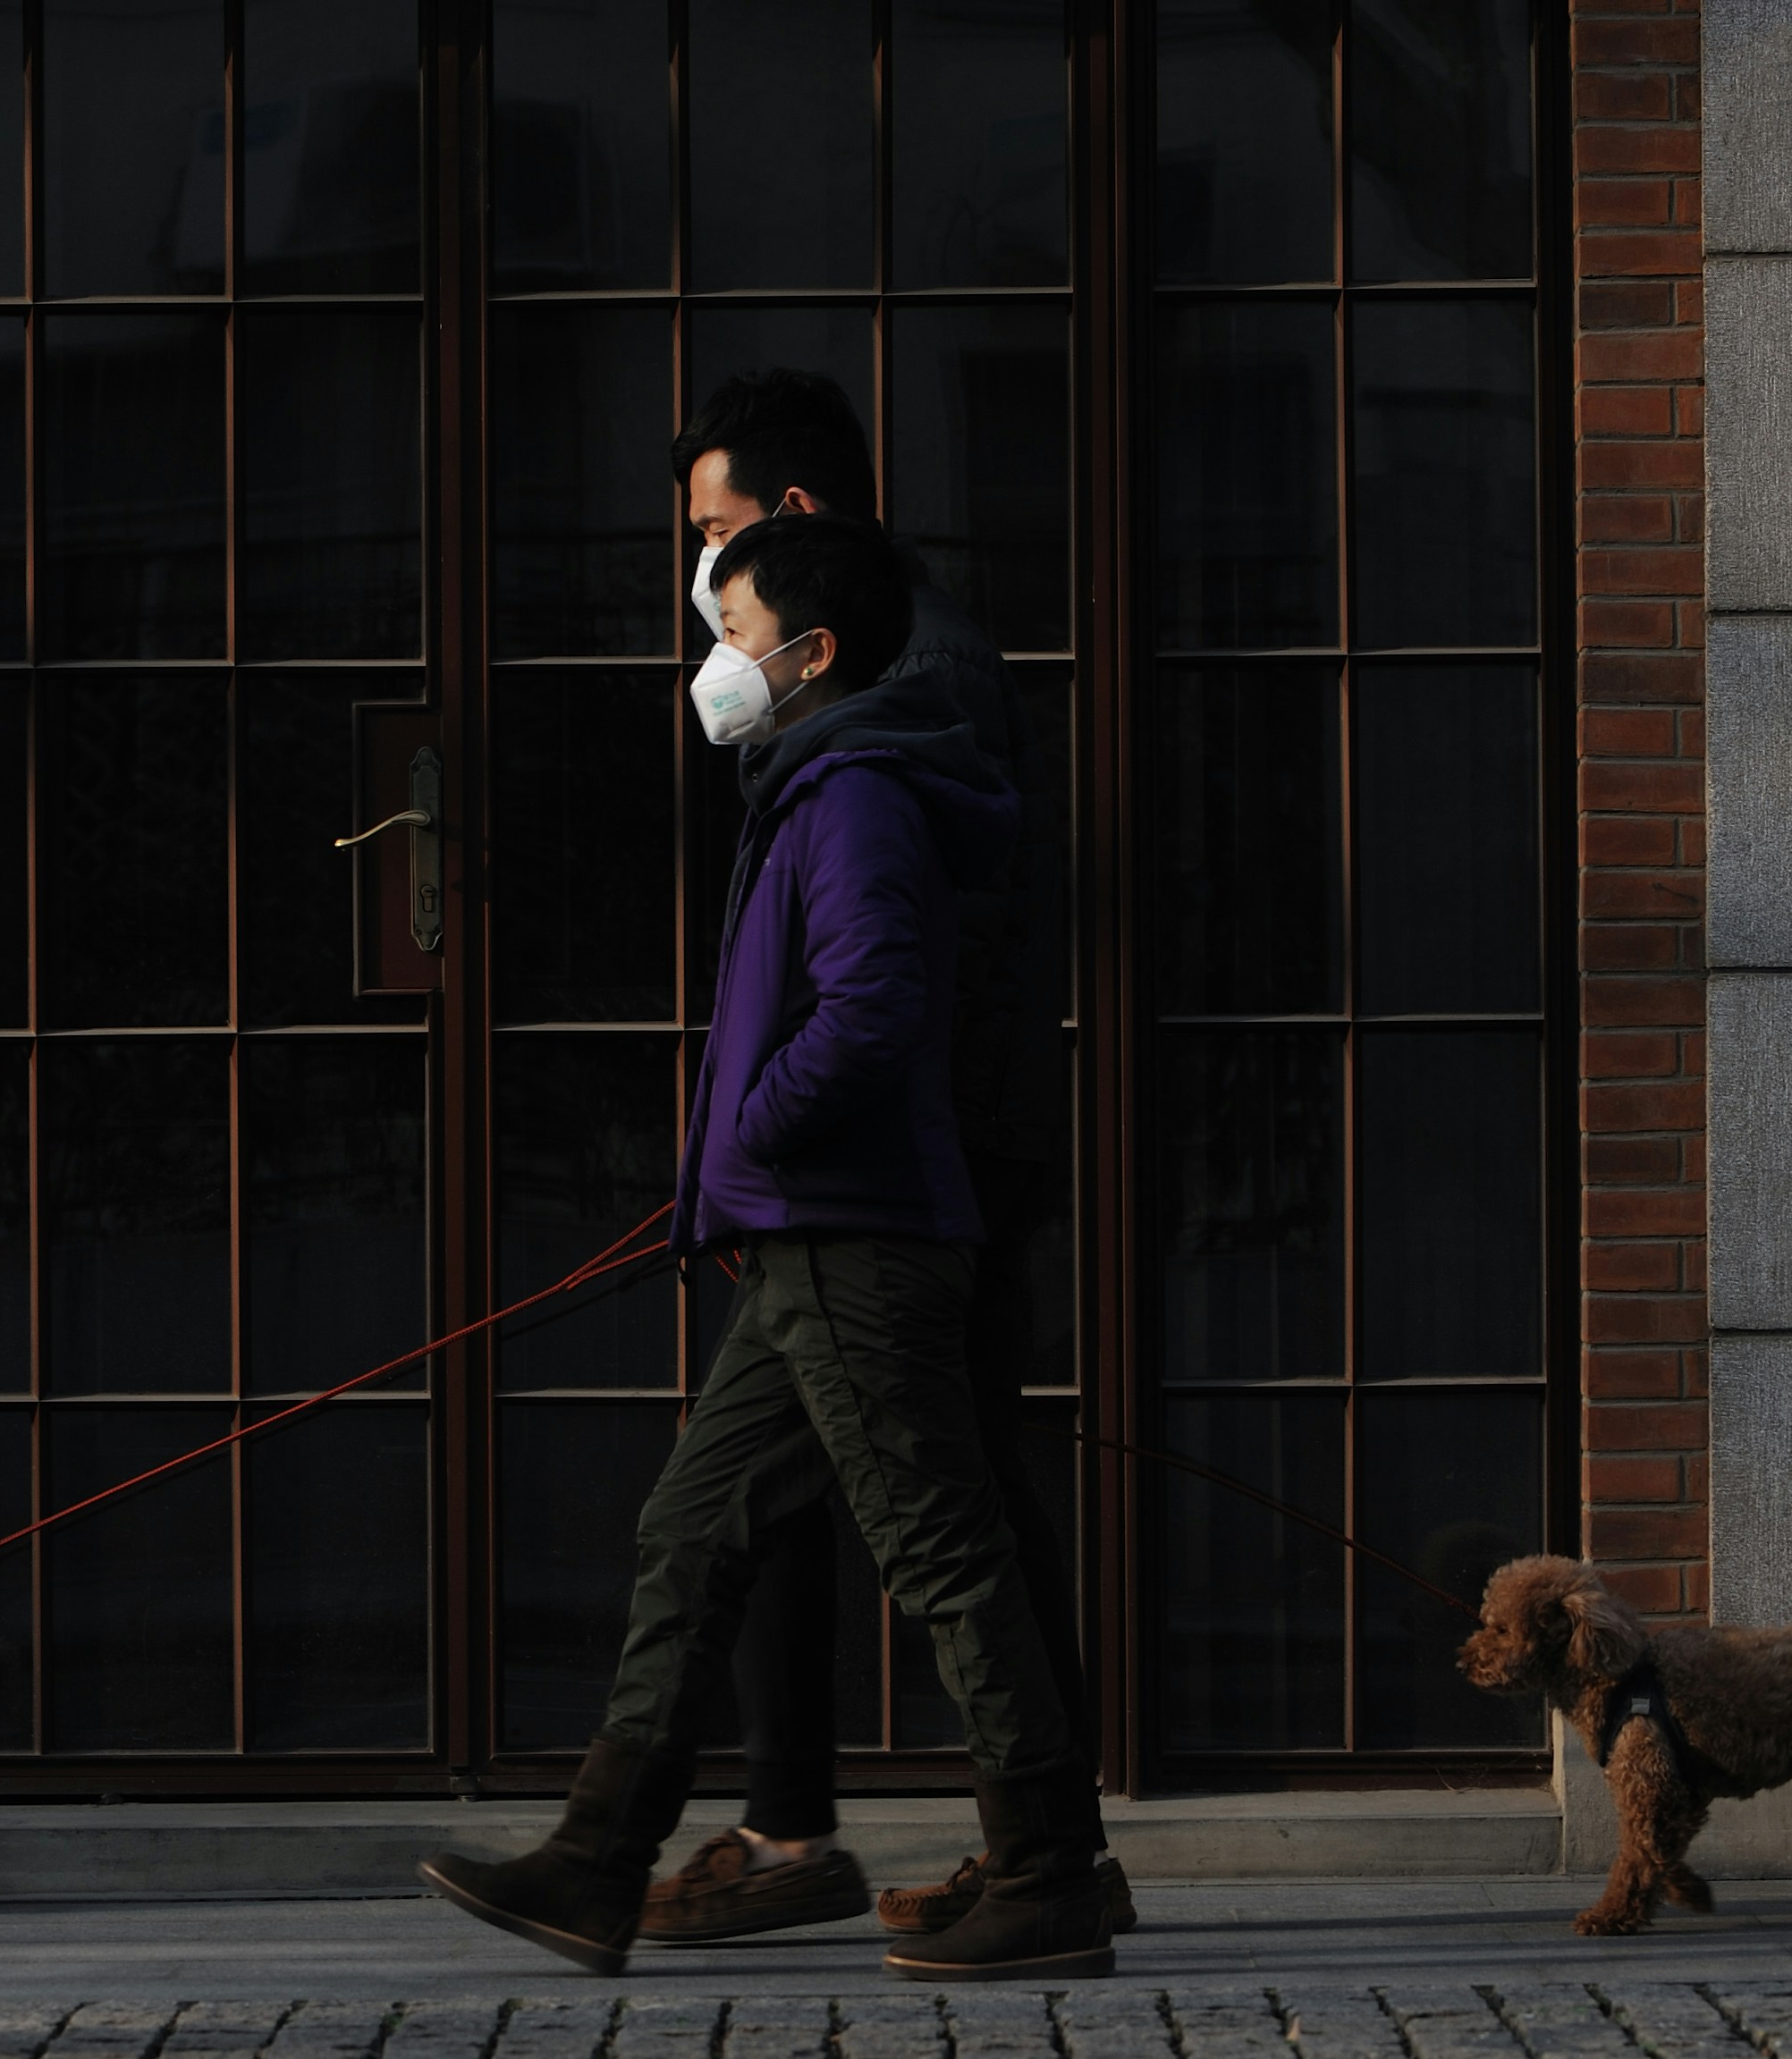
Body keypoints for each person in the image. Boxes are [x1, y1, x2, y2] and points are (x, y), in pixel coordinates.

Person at [419, 515, 1120, 1983]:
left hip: (855, 1236)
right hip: (812, 1230)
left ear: (813, 656)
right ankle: (597, 1862)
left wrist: (751, 1140)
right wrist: (740, 1173)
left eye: (734, 634)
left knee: (940, 1550)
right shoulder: (810, 783)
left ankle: (1051, 1870)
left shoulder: (855, 791)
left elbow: (869, 1011)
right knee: (695, 1529)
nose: (717, 661)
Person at [635, 369, 1118, 1948]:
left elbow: (900, 978)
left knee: (941, 1512)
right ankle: (857, 1831)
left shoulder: (887, 694)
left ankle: (1035, 1848)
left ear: (789, 528)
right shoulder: (874, 683)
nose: (701, 580)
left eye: (716, 539)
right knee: (801, 1497)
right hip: (871, 1172)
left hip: (894, 1180)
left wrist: (759, 1143)